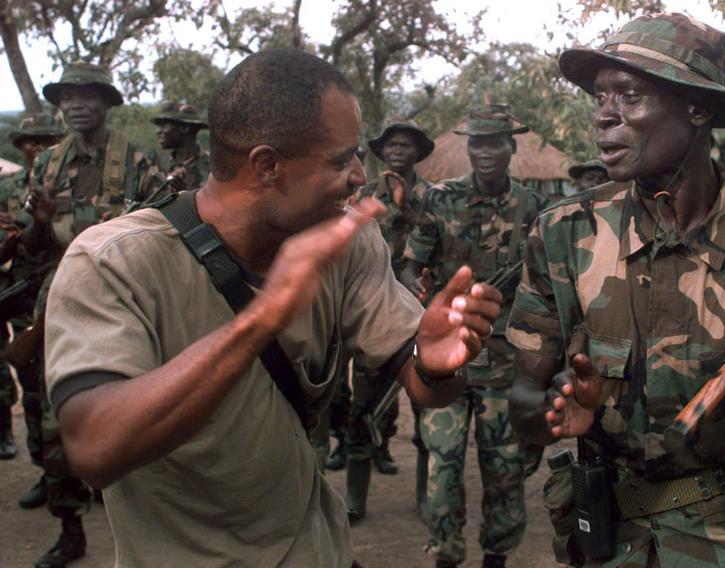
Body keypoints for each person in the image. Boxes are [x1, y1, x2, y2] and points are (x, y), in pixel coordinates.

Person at [44, 48, 502, 568]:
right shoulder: (114, 261)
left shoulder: (348, 239)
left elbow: (424, 384)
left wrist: (436, 361)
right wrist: (261, 319)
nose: (358, 175)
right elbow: (95, 448)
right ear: (267, 165)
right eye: (340, 159)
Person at [508, 13, 725, 567]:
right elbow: (523, 398)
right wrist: (551, 409)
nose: (605, 116)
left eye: (630, 95)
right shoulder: (562, 235)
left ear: (698, 108)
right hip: (607, 538)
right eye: (600, 98)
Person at [22, 62, 163, 568]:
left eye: (86, 96)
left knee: (135, 403)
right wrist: (39, 222)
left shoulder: (138, 161)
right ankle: (70, 526)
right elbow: (30, 244)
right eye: (68, 97)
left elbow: (166, 239)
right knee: (53, 413)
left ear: (106, 102)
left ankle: (134, 508)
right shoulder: (47, 166)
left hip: (125, 298)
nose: (76, 105)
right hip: (59, 295)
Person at [400, 103, 548, 568]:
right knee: (441, 467)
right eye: (476, 143)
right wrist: (419, 291)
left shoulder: (534, 208)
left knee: (504, 471)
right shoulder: (439, 199)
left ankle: (496, 556)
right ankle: (446, 554)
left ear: (511, 147)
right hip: (447, 359)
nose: (484, 152)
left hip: (506, 360)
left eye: (494, 143)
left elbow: (548, 286)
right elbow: (408, 268)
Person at [342, 120, 437, 523]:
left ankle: (425, 499)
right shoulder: (363, 193)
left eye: (407, 145)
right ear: (382, 152)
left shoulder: (433, 197)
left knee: (425, 407)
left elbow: (438, 241)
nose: (398, 151)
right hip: (373, 306)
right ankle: (354, 500)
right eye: (392, 145)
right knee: (363, 404)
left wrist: (409, 204)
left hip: (420, 309)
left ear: (418, 152)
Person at [0, 113, 65, 462]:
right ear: (20, 146)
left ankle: (87, 473)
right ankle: (45, 466)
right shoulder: (7, 189)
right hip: (27, 292)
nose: (37, 146)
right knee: (33, 385)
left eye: (47, 139)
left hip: (69, 283)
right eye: (30, 140)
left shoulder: (74, 183)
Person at [151, 100, 210, 191]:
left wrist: (186, 194)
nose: (158, 131)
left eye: (164, 125)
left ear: (184, 128)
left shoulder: (214, 167)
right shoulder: (160, 167)